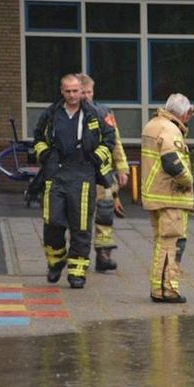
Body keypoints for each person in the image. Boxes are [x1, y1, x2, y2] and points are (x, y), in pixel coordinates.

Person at [32, 73, 116, 289]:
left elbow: (110, 140)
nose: (72, 95)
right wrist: (45, 156)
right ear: (62, 91)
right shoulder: (51, 114)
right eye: (67, 91)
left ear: (81, 91)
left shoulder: (96, 114)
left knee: (81, 226)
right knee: (53, 222)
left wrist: (97, 157)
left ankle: (77, 272)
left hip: (83, 175)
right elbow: (38, 137)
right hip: (56, 174)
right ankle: (56, 261)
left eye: (75, 91)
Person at [140, 93, 194, 303]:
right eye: (190, 113)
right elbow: (172, 161)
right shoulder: (171, 130)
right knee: (171, 244)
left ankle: (158, 288)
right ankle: (168, 290)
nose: (190, 118)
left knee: (161, 243)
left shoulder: (153, 125)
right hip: (170, 196)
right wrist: (188, 181)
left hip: (155, 193)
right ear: (185, 112)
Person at [78, 73, 129, 273]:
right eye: (82, 92)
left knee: (105, 213)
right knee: (79, 217)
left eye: (89, 92)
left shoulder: (104, 112)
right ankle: (78, 256)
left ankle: (103, 255)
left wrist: (122, 168)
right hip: (79, 173)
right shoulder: (68, 114)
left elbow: (115, 142)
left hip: (103, 174)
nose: (86, 97)